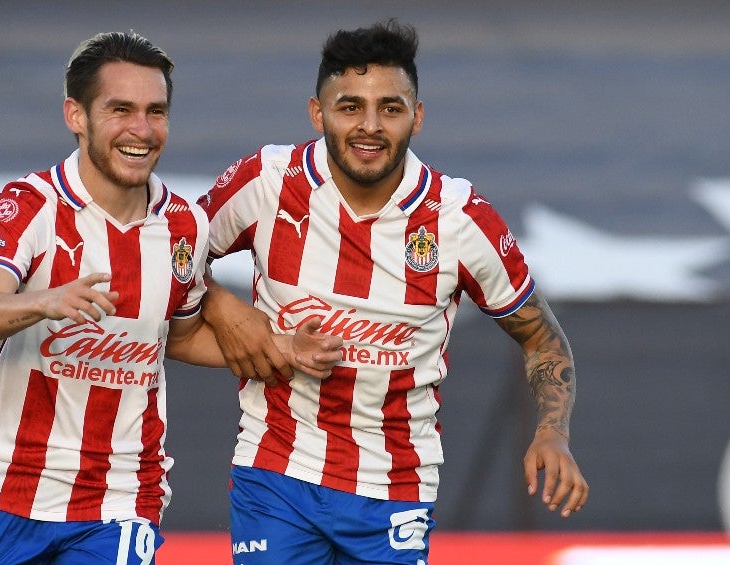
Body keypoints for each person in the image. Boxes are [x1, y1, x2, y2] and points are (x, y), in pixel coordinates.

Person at [198, 19, 589, 565]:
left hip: (395, 486)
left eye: (391, 107)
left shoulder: (457, 219)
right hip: (276, 471)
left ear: (417, 116)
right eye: (350, 106)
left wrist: (553, 433)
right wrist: (225, 309)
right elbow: (165, 259)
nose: (370, 126)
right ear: (317, 113)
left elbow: (544, 340)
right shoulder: (268, 183)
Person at [0, 30, 341, 565]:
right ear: (76, 115)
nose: (141, 129)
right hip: (8, 491)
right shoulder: (32, 206)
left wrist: (282, 349)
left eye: (156, 112)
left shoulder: (184, 224)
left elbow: (179, 336)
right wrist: (43, 301)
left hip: (120, 498)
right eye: (120, 109)